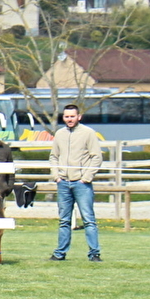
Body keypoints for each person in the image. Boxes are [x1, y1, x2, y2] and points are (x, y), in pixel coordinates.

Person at [48, 103, 103, 262]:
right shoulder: (59, 134)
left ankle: (94, 253)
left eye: (72, 116)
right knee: (64, 220)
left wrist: (86, 177)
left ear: (79, 117)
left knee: (88, 219)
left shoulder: (88, 133)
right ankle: (60, 253)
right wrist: (56, 176)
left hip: (82, 184)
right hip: (63, 183)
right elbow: (54, 156)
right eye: (66, 116)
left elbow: (96, 157)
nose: (69, 119)